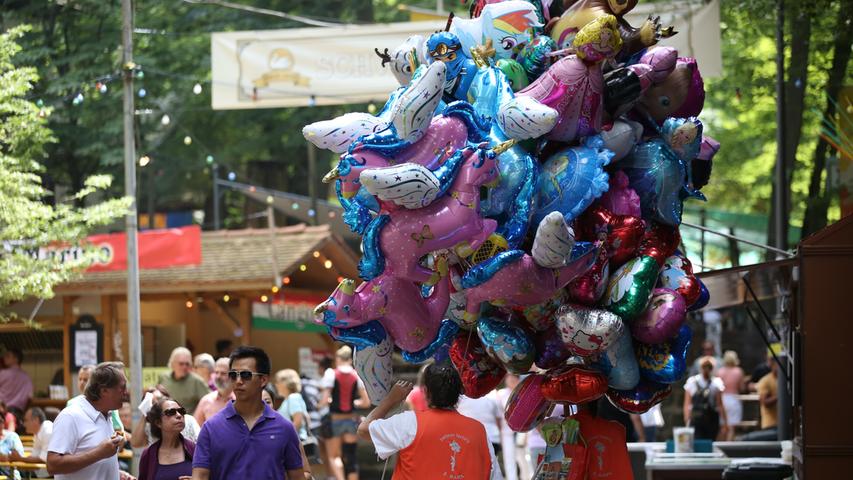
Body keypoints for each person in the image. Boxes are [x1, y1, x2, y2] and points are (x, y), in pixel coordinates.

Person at [357, 364, 500, 479]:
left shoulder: (411, 422)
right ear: (459, 393)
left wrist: (391, 399)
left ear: (425, 391)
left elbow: (363, 430)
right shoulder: (478, 430)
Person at [191, 346, 304, 479]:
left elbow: (297, 477)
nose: (238, 381)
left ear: (263, 380)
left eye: (246, 375)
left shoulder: (284, 428)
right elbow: (200, 476)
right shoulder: (211, 428)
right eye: (233, 375)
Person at [47, 361, 136, 480]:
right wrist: (98, 453)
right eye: (122, 387)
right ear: (104, 391)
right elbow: (53, 465)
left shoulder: (107, 414)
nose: (126, 393)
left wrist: (116, 474)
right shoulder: (71, 416)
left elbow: (91, 464)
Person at [319, 346, 369, 480]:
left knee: (334, 457)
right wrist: (354, 403)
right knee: (351, 458)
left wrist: (321, 404)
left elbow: (324, 400)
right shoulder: (356, 375)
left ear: (338, 358)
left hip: (335, 420)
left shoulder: (331, 373)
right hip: (351, 420)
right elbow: (366, 402)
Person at [138, 398, 195, 480]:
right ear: (158, 423)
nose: (179, 415)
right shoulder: (148, 455)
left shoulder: (194, 449)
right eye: (171, 412)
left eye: (181, 411)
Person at [131, 385, 200, 448]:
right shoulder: (149, 427)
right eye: (152, 403)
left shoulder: (188, 420)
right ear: (158, 423)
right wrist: (145, 413)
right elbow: (135, 443)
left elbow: (201, 444)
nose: (157, 404)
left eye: (160, 399)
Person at [683, 356, 729, 441]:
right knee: (710, 443)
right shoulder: (716, 383)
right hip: (711, 419)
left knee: (697, 443)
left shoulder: (692, 381)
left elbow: (687, 404)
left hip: (696, 418)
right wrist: (725, 423)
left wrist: (687, 420)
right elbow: (720, 405)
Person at [158, 348, 210, 415]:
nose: (184, 367)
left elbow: (209, 402)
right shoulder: (163, 377)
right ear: (172, 364)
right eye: (181, 364)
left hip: (188, 422)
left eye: (187, 364)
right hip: (167, 421)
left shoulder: (197, 381)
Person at [9, 407, 53, 476]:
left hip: (51, 475)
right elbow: (34, 456)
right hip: (43, 473)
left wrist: (19, 458)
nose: (24, 424)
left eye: (26, 420)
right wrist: (19, 458)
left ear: (36, 420)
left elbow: (43, 459)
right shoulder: (39, 432)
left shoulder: (48, 431)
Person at [457, 393, 503, 461]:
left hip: (469, 440)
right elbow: (498, 421)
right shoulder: (493, 397)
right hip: (492, 438)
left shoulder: (460, 398)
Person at [194, 358, 234, 425]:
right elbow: (196, 429)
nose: (218, 376)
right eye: (216, 372)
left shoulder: (240, 399)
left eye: (223, 373)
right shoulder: (206, 401)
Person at [717, 350, 746, 440]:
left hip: (722, 399)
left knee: (723, 427)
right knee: (732, 428)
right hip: (733, 399)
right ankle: (728, 449)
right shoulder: (738, 371)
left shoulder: (720, 372)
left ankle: (719, 448)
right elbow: (742, 388)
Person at [275, 369, 309, 442]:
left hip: (294, 442)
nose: (276, 385)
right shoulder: (290, 398)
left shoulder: (293, 397)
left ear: (285, 383)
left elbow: (298, 421)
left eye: (278, 382)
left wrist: (283, 438)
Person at [0, 348, 33, 413]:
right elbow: (30, 397)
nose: (4, 357)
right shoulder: (26, 377)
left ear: (16, 359)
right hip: (17, 413)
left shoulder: (2, 374)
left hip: (2, 412)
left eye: (8, 356)